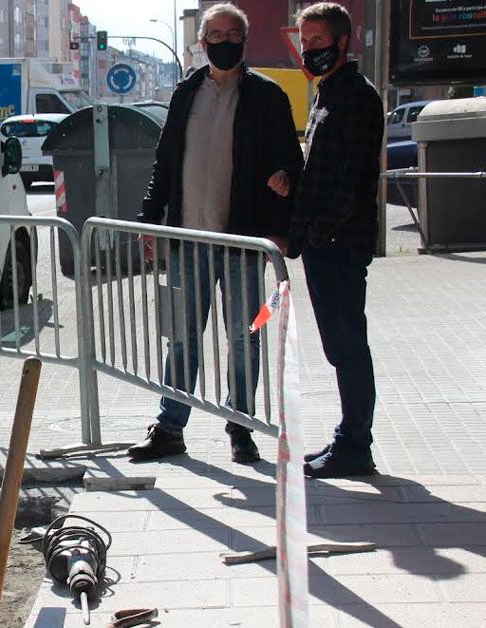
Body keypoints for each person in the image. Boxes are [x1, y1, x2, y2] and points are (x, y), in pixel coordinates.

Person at [129, 2, 303, 464]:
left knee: (245, 337)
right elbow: (164, 163)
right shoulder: (186, 92)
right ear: (201, 43)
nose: (224, 43)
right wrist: (150, 221)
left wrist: (282, 205)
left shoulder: (267, 96)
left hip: (242, 245)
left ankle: (241, 427)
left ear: (244, 41)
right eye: (216, 36)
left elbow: (291, 160)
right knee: (182, 337)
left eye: (233, 36)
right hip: (189, 242)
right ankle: (169, 428)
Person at [290, 2, 384, 478]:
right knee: (339, 344)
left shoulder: (356, 95)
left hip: (340, 243)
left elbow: (348, 179)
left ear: (343, 42)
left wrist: (320, 232)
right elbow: (323, 171)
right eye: (306, 42)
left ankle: (355, 445)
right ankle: (349, 437)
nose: (311, 50)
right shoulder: (328, 92)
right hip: (324, 242)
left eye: (319, 41)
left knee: (347, 343)